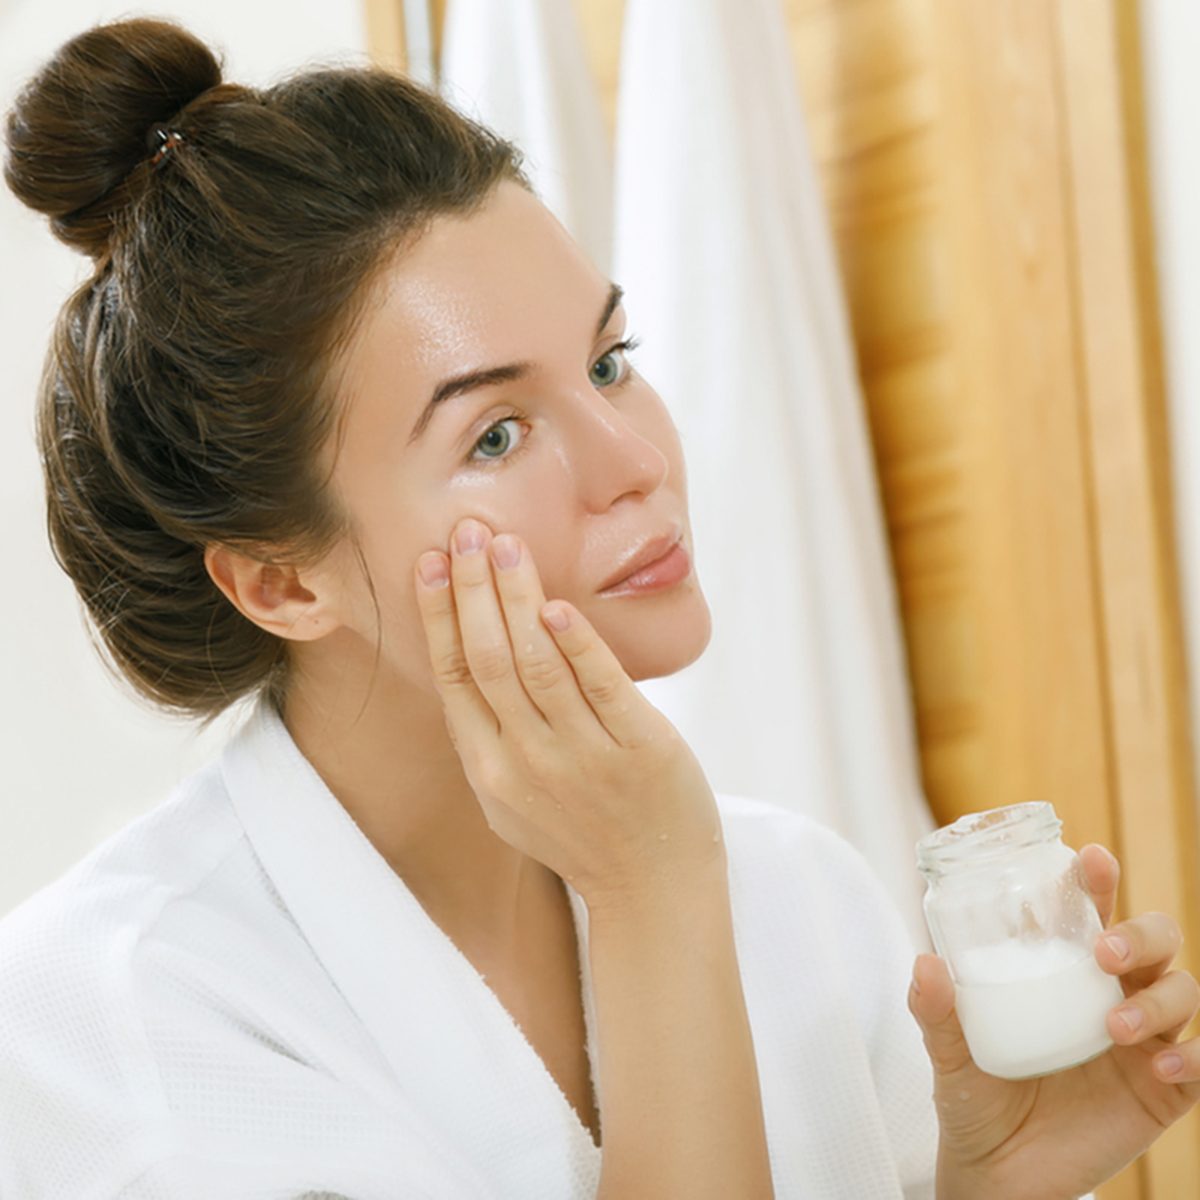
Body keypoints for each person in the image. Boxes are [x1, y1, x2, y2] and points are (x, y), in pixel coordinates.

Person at [1, 16, 1195, 1199]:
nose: (634, 456)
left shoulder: (805, 904)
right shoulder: (124, 1035)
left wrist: (988, 1190)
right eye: (497, 433)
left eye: (611, 361)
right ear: (282, 580)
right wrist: (652, 898)